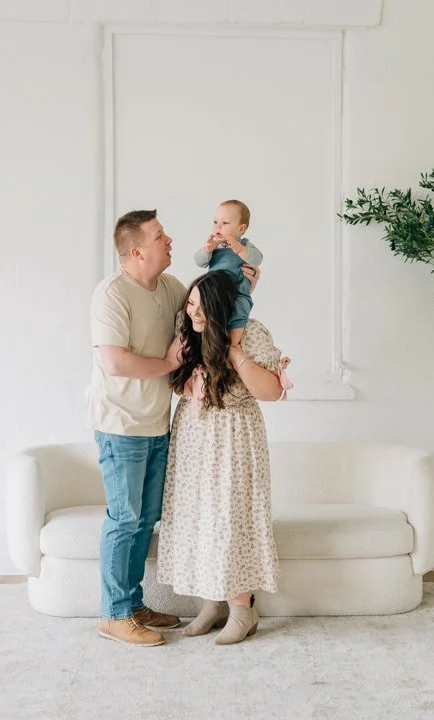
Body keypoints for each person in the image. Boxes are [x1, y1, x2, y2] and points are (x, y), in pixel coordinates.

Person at [88, 210, 260, 647]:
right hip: (122, 424)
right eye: (160, 236)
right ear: (137, 250)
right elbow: (113, 361)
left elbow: (209, 311)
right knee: (125, 518)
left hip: (160, 422)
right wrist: (167, 364)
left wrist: (245, 286)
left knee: (146, 518)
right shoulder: (111, 294)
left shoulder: (170, 288)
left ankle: (133, 605)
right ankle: (114, 615)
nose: (170, 241)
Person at [156, 270, 292, 646]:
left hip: (234, 436)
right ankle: (212, 603)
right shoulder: (190, 335)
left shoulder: (248, 333)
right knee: (200, 519)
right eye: (190, 304)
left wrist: (234, 352)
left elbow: (269, 391)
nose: (192, 313)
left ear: (219, 308)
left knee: (231, 520)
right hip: (195, 437)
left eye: (200, 307)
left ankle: (242, 608)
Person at [194, 199, 262, 349]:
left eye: (225, 223)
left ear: (241, 229)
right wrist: (207, 250)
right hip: (214, 293)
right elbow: (199, 262)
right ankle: (208, 343)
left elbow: (258, 258)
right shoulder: (215, 247)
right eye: (215, 222)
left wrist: (241, 250)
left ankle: (232, 345)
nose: (218, 226)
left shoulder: (245, 246)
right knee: (209, 315)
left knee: (240, 311)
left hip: (238, 293)